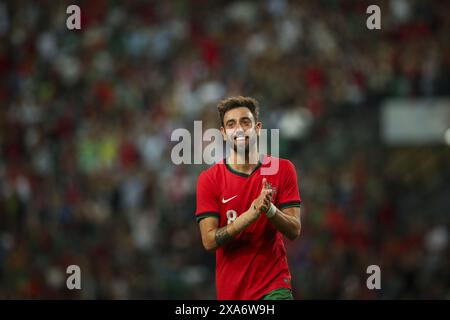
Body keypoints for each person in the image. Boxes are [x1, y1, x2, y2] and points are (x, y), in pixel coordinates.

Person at [195, 96, 302, 300]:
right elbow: (209, 241)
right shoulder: (209, 180)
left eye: (245, 122)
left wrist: (270, 210)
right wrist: (250, 215)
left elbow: (294, 229)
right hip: (232, 292)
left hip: (273, 285)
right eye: (231, 124)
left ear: (258, 128)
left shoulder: (283, 169)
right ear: (224, 134)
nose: (239, 129)